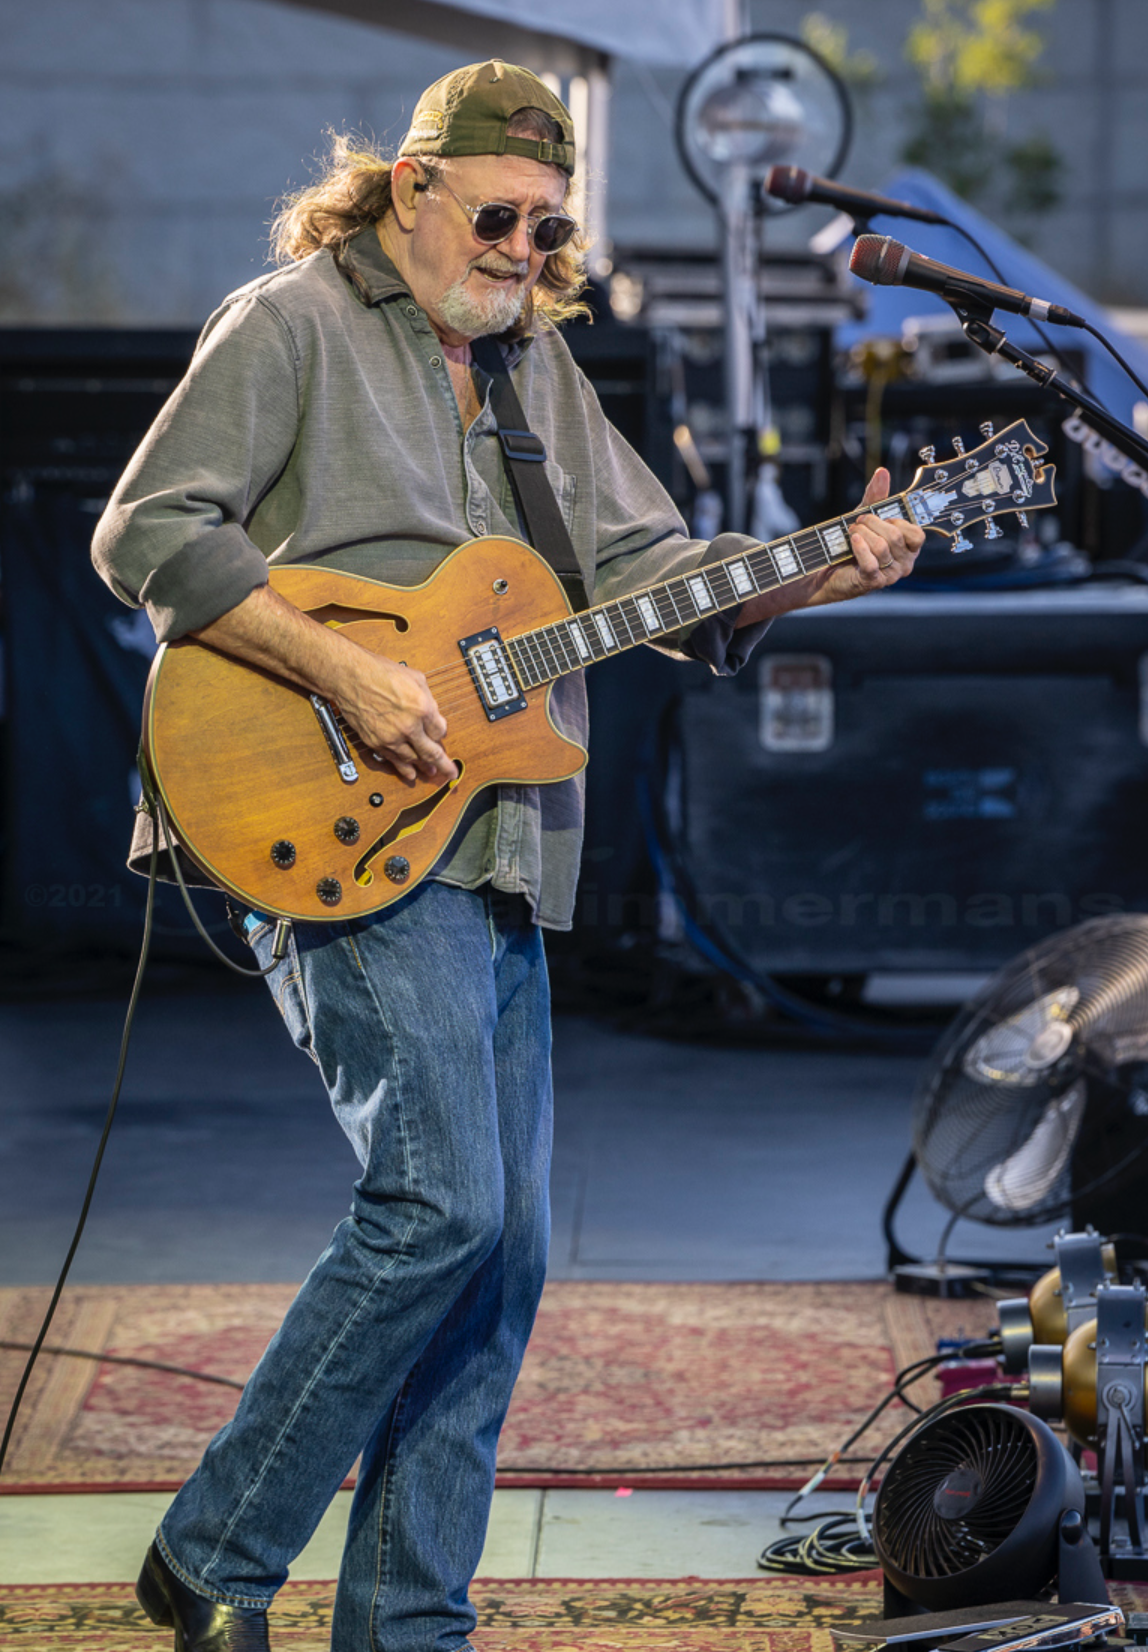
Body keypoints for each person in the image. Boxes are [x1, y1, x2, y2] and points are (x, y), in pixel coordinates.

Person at [92, 59, 923, 1652]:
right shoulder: (292, 324)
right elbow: (148, 532)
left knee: (503, 1258)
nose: (525, 251)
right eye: (499, 217)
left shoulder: (539, 367)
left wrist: (817, 570)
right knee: (441, 1209)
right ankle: (213, 1553)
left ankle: (407, 1623)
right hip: (331, 814)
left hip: (501, 842)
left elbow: (652, 571)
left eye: (548, 228)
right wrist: (349, 676)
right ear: (410, 185)